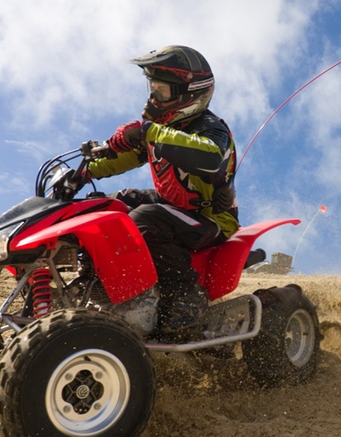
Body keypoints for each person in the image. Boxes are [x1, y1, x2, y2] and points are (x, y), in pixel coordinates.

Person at [84, 45, 239, 333]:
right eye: (152, 88)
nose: (153, 98)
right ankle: (95, 283)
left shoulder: (211, 129)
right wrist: (83, 172)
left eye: (162, 91)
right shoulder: (160, 130)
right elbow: (124, 159)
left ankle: (186, 297)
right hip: (172, 207)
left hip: (210, 218)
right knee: (103, 206)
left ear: (189, 93)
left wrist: (146, 132)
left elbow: (212, 158)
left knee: (145, 218)